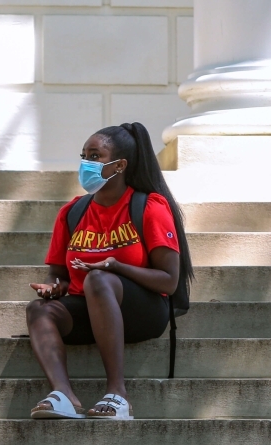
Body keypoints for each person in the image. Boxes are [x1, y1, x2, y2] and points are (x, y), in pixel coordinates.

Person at [26, 122, 194, 420]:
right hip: (91, 313)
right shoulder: (73, 212)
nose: (86, 164)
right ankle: (64, 395)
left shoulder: (149, 207)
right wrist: (55, 287)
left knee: (99, 280)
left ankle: (118, 395)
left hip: (142, 312)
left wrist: (115, 266)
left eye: (95, 156)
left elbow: (169, 280)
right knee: (39, 309)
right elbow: (58, 273)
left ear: (120, 165)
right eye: (84, 155)